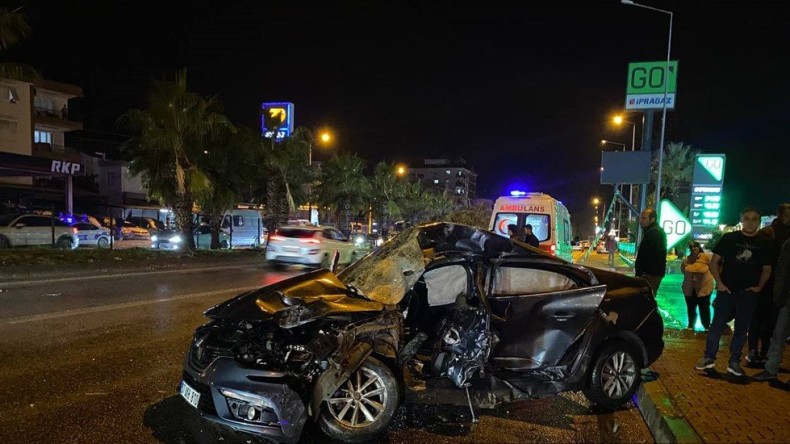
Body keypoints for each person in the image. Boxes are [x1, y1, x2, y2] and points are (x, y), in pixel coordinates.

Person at [695, 207, 773, 376]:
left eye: (754, 219)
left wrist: (759, 287)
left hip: (749, 293)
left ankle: (734, 362)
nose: (750, 222)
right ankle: (709, 358)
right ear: (742, 220)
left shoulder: (765, 243)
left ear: (758, 222)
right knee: (716, 326)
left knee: (741, 329)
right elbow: (714, 262)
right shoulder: (730, 238)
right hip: (727, 291)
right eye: (747, 218)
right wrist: (720, 283)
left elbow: (767, 268)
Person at [747, 203, 790, 366]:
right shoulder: (767, 233)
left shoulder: (770, 233)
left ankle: (764, 352)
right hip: (765, 283)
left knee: (771, 322)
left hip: (780, 285)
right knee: (757, 319)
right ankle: (753, 351)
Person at [753, 238, 790, 381]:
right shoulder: (788, 244)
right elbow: (782, 271)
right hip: (787, 299)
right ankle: (770, 369)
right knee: (778, 335)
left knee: (778, 335)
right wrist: (779, 295)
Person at [681, 241, 714, 331]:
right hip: (690, 288)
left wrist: (688, 268)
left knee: (704, 308)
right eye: (691, 247)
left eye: (695, 247)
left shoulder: (705, 257)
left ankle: (706, 326)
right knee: (691, 308)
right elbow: (683, 270)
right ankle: (691, 325)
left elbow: (700, 269)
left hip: (704, 287)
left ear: (699, 247)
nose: (693, 248)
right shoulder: (687, 259)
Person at [635, 209, 667, 295]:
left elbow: (653, 255)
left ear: (652, 219)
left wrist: (643, 273)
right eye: (641, 218)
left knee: (646, 300)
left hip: (649, 276)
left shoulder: (654, 233)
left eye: (644, 218)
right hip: (649, 274)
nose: (641, 221)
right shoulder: (652, 232)